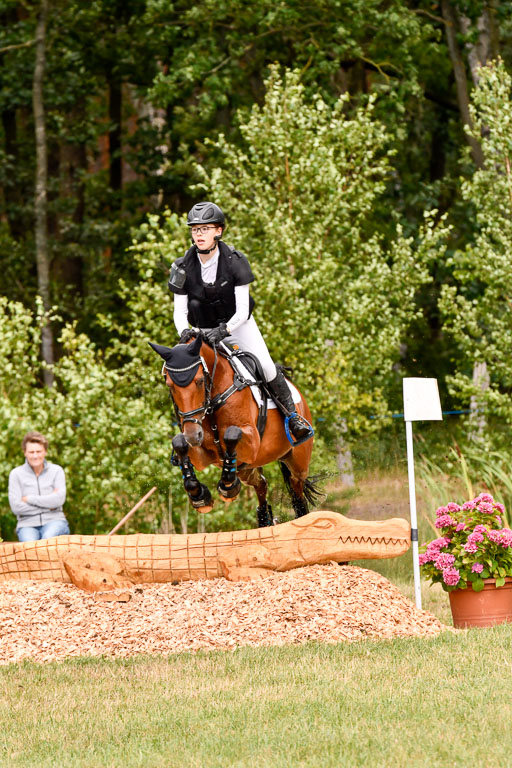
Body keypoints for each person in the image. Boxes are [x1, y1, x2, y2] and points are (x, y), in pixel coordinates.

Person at [168, 201, 313, 442]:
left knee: (265, 365)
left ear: (218, 231)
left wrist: (224, 330)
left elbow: (243, 309)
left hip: (237, 325)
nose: (199, 234)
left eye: (205, 229)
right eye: (195, 229)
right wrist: (185, 332)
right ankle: (184, 432)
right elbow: (179, 312)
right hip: (200, 330)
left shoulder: (235, 261)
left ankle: (292, 417)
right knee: (182, 375)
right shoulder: (182, 266)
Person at [8, 431, 70, 542]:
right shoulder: (16, 474)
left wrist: (29, 499)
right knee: (30, 548)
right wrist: (49, 505)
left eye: (39, 451)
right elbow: (16, 507)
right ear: (25, 453)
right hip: (27, 525)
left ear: (45, 451)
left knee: (47, 541)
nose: (35, 456)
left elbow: (59, 500)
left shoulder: (57, 471)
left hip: (55, 520)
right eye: (31, 452)